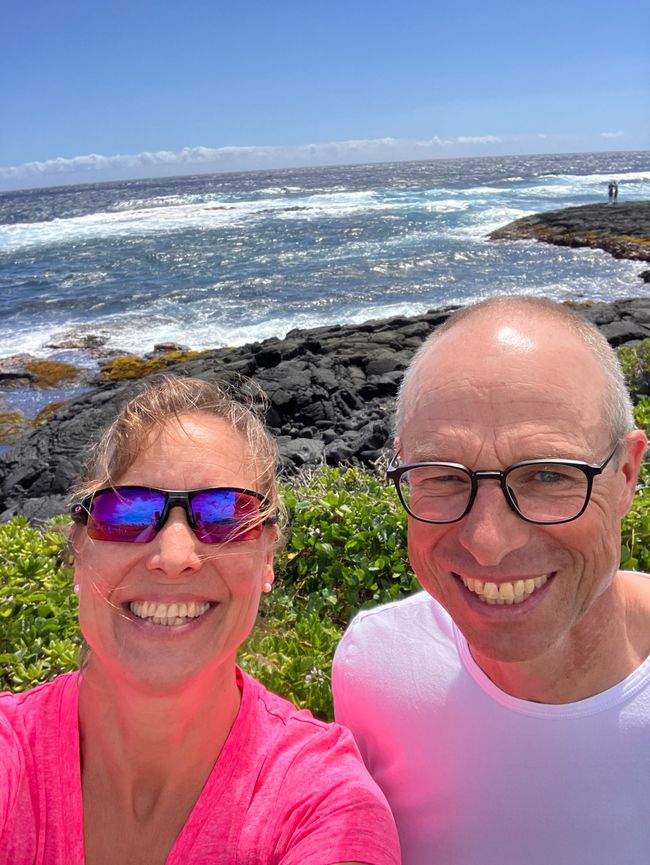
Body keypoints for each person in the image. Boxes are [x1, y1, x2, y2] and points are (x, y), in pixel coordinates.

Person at [0, 376, 400, 865]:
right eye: (127, 511)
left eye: (226, 515)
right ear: (79, 551)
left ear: (268, 558)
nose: (174, 555)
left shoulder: (319, 803)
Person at [333, 296, 650, 865]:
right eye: (442, 477)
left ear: (626, 475)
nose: (488, 540)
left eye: (549, 475)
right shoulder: (375, 666)